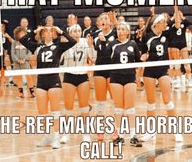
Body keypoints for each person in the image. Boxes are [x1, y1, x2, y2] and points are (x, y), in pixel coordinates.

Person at [19, 25, 76, 149]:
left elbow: (73, 42)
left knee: (55, 112)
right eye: (46, 31)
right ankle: (48, 136)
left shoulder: (59, 46)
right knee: (42, 113)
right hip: (41, 81)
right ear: (43, 34)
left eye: (51, 31)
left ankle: (56, 136)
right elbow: (22, 40)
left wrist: (61, 31)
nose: (49, 33)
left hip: (54, 80)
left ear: (53, 34)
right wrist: (35, 31)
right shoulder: (38, 48)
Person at [140, 14, 183, 142]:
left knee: (167, 100)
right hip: (149, 70)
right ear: (157, 23)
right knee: (150, 103)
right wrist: (143, 57)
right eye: (164, 22)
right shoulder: (146, 36)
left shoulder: (167, 34)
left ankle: (176, 131)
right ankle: (151, 132)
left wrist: (176, 12)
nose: (166, 24)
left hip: (163, 70)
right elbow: (142, 53)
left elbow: (176, 25)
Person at [99, 22, 141, 146]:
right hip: (116, 77)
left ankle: (133, 135)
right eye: (118, 29)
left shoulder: (133, 44)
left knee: (130, 108)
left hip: (130, 77)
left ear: (128, 32)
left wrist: (139, 76)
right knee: (118, 108)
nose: (120, 31)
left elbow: (138, 61)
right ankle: (119, 136)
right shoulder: (112, 44)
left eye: (122, 29)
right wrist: (102, 42)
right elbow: (104, 56)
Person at [60, 24, 94, 143]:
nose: (76, 33)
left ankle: (85, 133)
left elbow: (93, 59)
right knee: (67, 108)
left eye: (79, 31)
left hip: (83, 76)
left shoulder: (85, 42)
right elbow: (59, 59)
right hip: (69, 75)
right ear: (69, 32)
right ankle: (65, 133)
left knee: (84, 108)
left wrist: (90, 47)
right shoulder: (65, 43)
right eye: (74, 31)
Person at [92, 12, 117, 141]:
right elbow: (99, 49)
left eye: (106, 19)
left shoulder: (116, 33)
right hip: (100, 69)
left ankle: (115, 130)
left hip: (113, 69)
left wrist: (115, 20)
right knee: (100, 103)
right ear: (98, 23)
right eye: (101, 19)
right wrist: (101, 39)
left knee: (114, 102)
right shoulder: (96, 35)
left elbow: (113, 48)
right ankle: (100, 130)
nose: (104, 21)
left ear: (110, 22)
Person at [168, 5, 192, 88]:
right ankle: (178, 80)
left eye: (179, 14)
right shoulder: (171, 24)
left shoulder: (184, 23)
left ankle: (189, 79)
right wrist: (173, 17)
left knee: (186, 63)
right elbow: (166, 24)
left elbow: (189, 23)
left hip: (183, 45)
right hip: (174, 45)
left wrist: (182, 16)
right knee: (177, 64)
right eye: (176, 15)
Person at [11, 26, 35, 98]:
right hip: (17, 63)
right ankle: (20, 92)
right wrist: (17, 60)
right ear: (17, 34)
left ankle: (32, 92)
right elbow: (12, 52)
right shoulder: (14, 42)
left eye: (23, 33)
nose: (22, 35)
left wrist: (24, 59)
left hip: (25, 63)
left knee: (29, 77)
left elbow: (29, 52)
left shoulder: (27, 42)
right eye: (20, 33)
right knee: (19, 77)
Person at [0, 19, 14, 86]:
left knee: (7, 63)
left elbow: (13, 42)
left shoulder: (7, 34)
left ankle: (11, 80)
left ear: (4, 27)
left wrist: (8, 37)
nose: (1, 28)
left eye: (2, 26)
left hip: (6, 52)